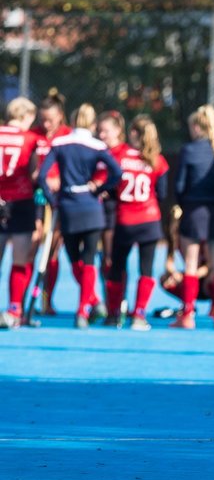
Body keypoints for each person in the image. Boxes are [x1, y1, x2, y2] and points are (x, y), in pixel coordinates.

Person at [37, 107, 122, 328]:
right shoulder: (98, 147)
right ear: (93, 124)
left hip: (67, 206)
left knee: (75, 259)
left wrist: (51, 198)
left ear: (72, 121)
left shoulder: (60, 144)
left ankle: (89, 304)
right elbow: (117, 173)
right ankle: (85, 308)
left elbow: (43, 175)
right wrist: (98, 189)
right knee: (88, 259)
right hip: (91, 207)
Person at [104, 115, 169, 331]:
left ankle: (114, 314)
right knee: (146, 269)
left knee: (117, 268)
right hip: (150, 220)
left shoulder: (119, 155)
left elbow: (110, 185)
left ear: (133, 133)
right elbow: (162, 192)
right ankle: (139, 314)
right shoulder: (157, 160)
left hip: (125, 220)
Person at [173, 105, 214, 329]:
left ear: (197, 127)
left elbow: (180, 185)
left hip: (194, 210)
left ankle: (187, 314)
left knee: (190, 262)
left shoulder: (189, 151)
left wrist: (183, 205)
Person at [30, 89, 73, 315]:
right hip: (35, 200)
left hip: (59, 201)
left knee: (52, 251)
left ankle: (47, 301)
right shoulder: (33, 135)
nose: (45, 124)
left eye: (50, 119)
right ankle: (21, 303)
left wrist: (59, 180)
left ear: (60, 117)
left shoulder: (68, 135)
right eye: (42, 119)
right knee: (32, 247)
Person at [0, 97, 41, 329]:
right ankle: (15, 309)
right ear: (25, 117)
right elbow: (35, 173)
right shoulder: (30, 139)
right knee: (20, 258)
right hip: (21, 201)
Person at [91, 107, 125, 304]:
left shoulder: (124, 153)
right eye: (99, 131)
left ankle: (118, 303)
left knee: (113, 259)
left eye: (105, 131)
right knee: (99, 259)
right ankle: (104, 301)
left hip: (115, 213)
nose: (101, 135)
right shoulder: (97, 151)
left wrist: (105, 187)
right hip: (96, 211)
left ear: (118, 130)